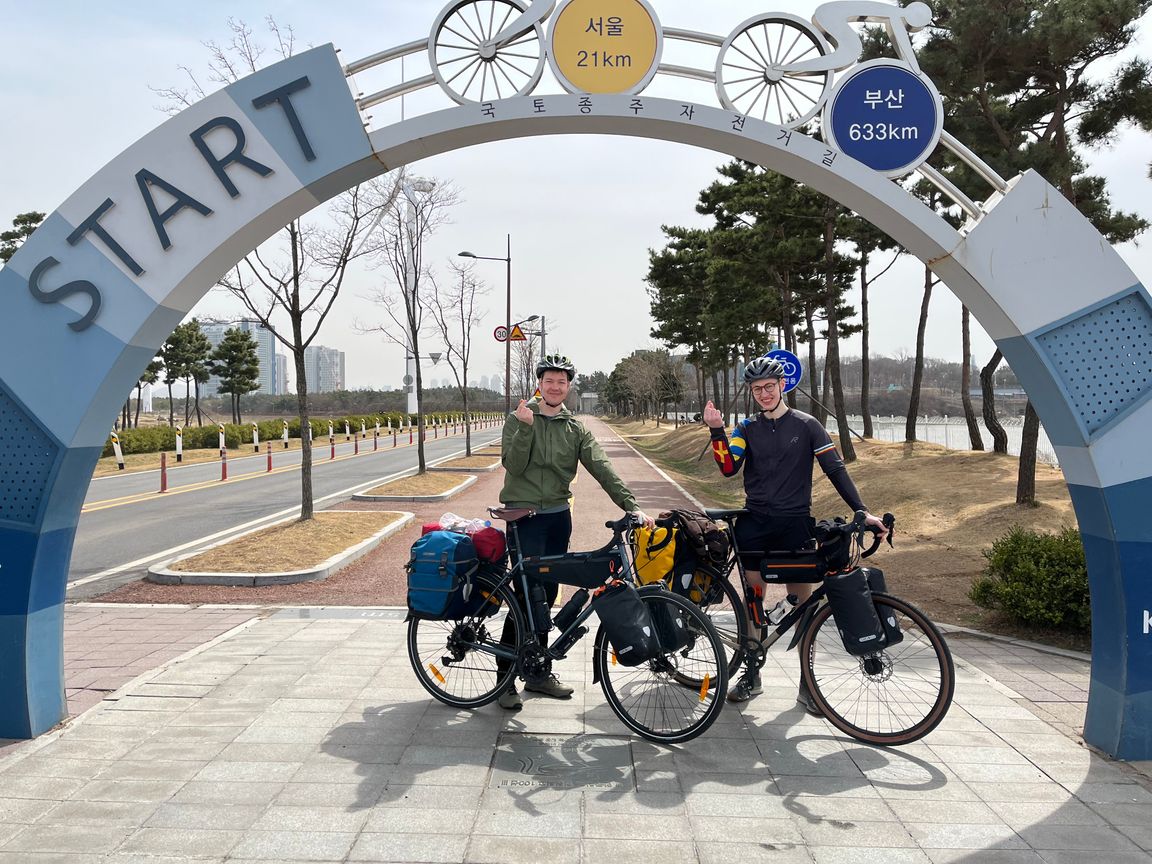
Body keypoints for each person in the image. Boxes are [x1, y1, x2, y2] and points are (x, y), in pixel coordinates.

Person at [703, 355, 887, 710]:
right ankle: (752, 675)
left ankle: (808, 686)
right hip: (754, 526)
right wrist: (716, 430)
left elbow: (835, 469)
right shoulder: (746, 429)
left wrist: (861, 511)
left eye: (769, 387)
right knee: (753, 602)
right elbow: (728, 467)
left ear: (782, 385)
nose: (764, 394)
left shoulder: (808, 425)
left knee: (804, 607)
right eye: (757, 390)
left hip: (795, 525)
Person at [496, 353, 654, 710]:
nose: (555, 387)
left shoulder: (575, 427)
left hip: (557, 517)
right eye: (549, 381)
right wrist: (524, 426)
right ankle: (504, 679)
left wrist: (630, 505)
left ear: (568, 388)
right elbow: (513, 464)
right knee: (524, 598)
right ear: (539, 384)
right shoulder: (520, 418)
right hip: (523, 518)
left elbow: (601, 466)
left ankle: (538, 673)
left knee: (547, 595)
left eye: (561, 382)